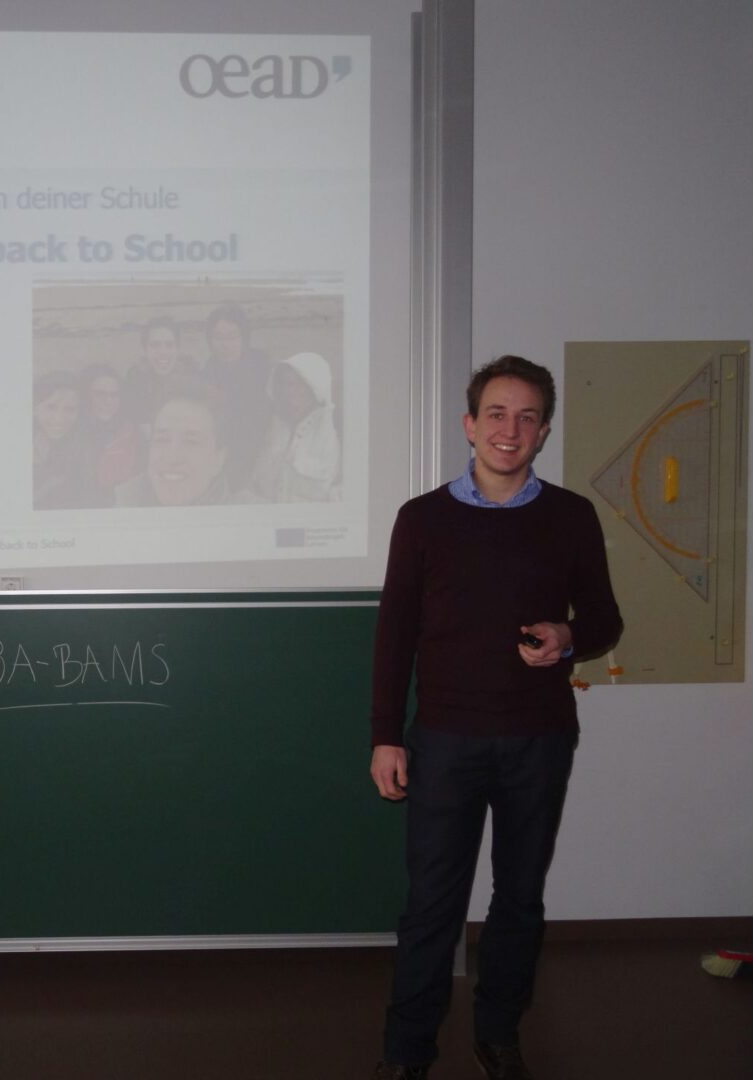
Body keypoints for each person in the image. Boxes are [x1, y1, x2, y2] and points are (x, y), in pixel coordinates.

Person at [368, 355, 622, 1080]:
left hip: (538, 739)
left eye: (528, 417)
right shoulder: (422, 519)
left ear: (543, 432)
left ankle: (499, 1035)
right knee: (432, 904)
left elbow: (604, 619)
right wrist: (385, 735)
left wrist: (568, 635)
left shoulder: (571, 516)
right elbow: (395, 636)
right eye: (498, 414)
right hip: (444, 741)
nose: (511, 430)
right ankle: (407, 1051)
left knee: (519, 899)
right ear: (470, 424)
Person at [114, 379, 250, 507]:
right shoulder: (120, 506)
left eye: (191, 442)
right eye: (162, 439)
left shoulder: (249, 516)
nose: (172, 457)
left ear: (218, 460)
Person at [251, 351, 342, 502]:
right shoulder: (273, 424)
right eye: (289, 384)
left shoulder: (337, 426)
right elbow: (256, 482)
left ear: (316, 387)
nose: (292, 392)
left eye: (301, 384)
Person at [199, 301, 272, 488]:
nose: (225, 344)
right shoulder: (206, 377)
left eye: (232, 336)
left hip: (265, 454)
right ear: (210, 341)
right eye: (218, 337)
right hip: (225, 461)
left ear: (244, 339)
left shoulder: (263, 370)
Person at [77, 364, 143, 505]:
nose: (108, 401)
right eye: (100, 394)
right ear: (86, 395)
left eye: (114, 395)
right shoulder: (72, 430)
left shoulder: (131, 432)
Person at [121, 316, 199, 428]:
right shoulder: (134, 381)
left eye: (169, 345)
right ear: (145, 349)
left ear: (178, 349)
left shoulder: (193, 379)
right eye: (155, 345)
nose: (163, 352)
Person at [31, 371, 89, 509]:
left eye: (70, 409)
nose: (59, 419)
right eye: (50, 407)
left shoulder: (81, 449)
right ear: (34, 408)